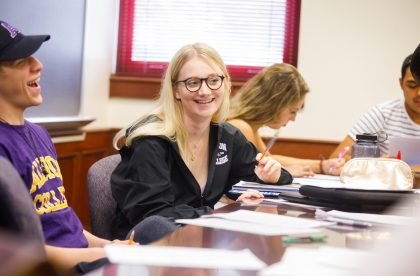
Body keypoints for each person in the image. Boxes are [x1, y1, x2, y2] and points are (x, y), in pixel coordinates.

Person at [110, 43, 293, 241]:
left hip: (198, 240)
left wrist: (272, 176)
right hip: (145, 248)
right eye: (193, 82)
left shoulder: (226, 137)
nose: (205, 91)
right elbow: (154, 216)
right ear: (175, 91)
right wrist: (221, 215)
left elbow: (260, 178)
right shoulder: (151, 142)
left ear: (225, 84)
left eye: (214, 80)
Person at [0, 20, 133, 273]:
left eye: (34, 57)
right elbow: (21, 252)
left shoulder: (39, 134)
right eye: (20, 61)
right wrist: (107, 254)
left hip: (83, 259)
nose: (38, 65)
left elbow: (61, 220)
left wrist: (110, 245)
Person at [227, 63, 345, 177]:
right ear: (274, 104)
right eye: (293, 111)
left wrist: (322, 165)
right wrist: (285, 172)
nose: (293, 119)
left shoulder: (249, 125)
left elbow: (269, 159)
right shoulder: (240, 127)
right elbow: (254, 172)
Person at [330, 54, 420, 160]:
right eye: (412, 85)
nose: (419, 93)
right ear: (401, 83)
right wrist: (377, 164)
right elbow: (337, 158)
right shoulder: (383, 113)